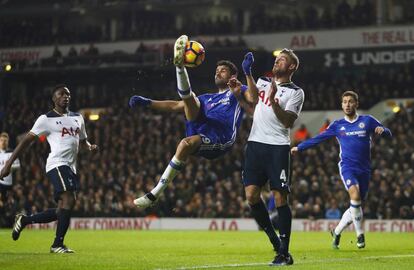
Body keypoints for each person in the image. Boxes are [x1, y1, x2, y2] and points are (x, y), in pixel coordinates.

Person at [129, 35, 255, 208]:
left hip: (220, 137)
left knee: (185, 143)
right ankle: (179, 67)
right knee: (193, 99)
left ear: (233, 75)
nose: (218, 72)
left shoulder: (238, 90)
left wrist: (247, 74)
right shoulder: (207, 98)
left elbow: (253, 100)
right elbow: (175, 106)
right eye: (216, 70)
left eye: (223, 70)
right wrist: (148, 102)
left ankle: (154, 194)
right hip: (201, 129)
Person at [0, 85, 98, 253]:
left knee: (62, 209)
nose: (65, 96)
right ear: (54, 98)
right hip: (56, 163)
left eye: (68, 94)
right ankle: (57, 245)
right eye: (61, 94)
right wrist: (8, 164)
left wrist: (89, 147)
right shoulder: (45, 119)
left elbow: (82, 141)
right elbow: (25, 142)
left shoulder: (78, 118)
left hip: (71, 167)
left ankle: (24, 220)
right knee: (69, 199)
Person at [291, 90, 392, 249]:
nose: (347, 104)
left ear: (356, 104)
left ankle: (337, 232)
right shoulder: (338, 125)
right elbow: (319, 138)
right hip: (347, 166)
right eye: (344, 102)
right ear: (342, 105)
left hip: (365, 169)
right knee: (355, 194)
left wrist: (383, 131)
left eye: (350, 101)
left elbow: (388, 133)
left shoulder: (367, 121)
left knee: (356, 204)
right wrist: (300, 147)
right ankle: (360, 235)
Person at [241, 49, 304, 266]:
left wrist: (274, 102)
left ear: (292, 67)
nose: (277, 61)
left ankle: (284, 253)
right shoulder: (263, 81)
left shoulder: (296, 92)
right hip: (255, 144)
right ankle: (277, 244)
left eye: (282, 60)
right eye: (277, 59)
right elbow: (250, 98)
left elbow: (288, 122)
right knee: (251, 196)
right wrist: (248, 74)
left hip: (278, 147)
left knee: (279, 198)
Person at [0, 132, 20, 206]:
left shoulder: (12, 153)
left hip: (9, 182)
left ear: (8, 142)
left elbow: (18, 165)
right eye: (1, 140)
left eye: (5, 141)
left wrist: (8, 168)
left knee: (7, 203)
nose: (3, 142)